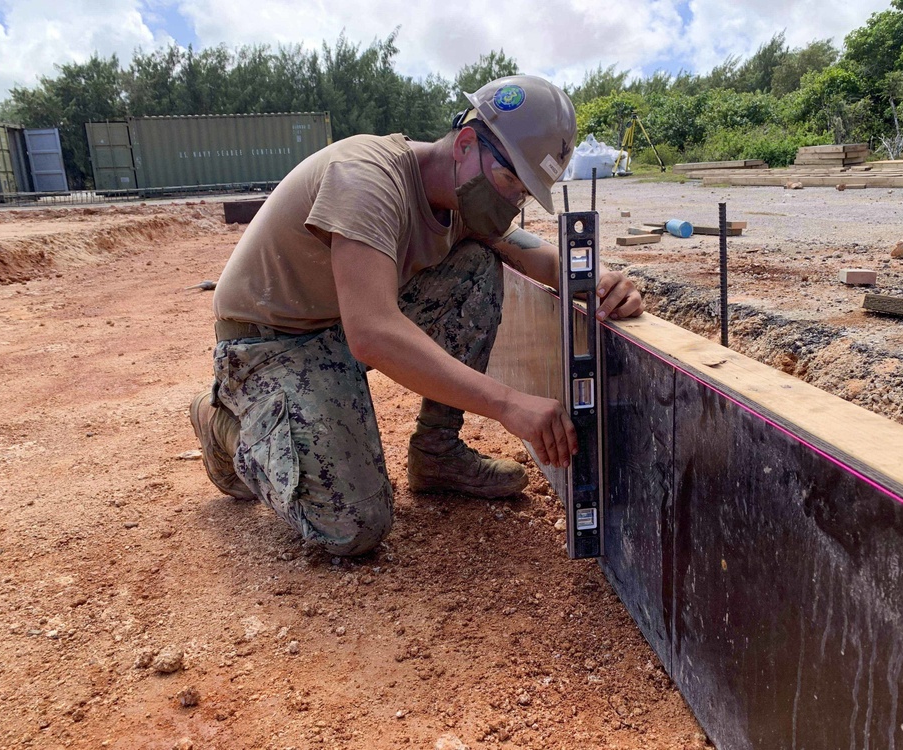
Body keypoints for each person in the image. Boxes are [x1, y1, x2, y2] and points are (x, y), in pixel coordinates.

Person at [190, 75, 643, 556]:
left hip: (334, 325)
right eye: (511, 180)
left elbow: (536, 257)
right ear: (466, 143)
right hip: (270, 342)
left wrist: (600, 281)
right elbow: (373, 333)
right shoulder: (366, 175)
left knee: (477, 265)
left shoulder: (462, 198)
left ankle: (437, 453)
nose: (513, 202)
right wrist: (509, 403)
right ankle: (222, 425)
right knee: (353, 526)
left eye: (525, 192)